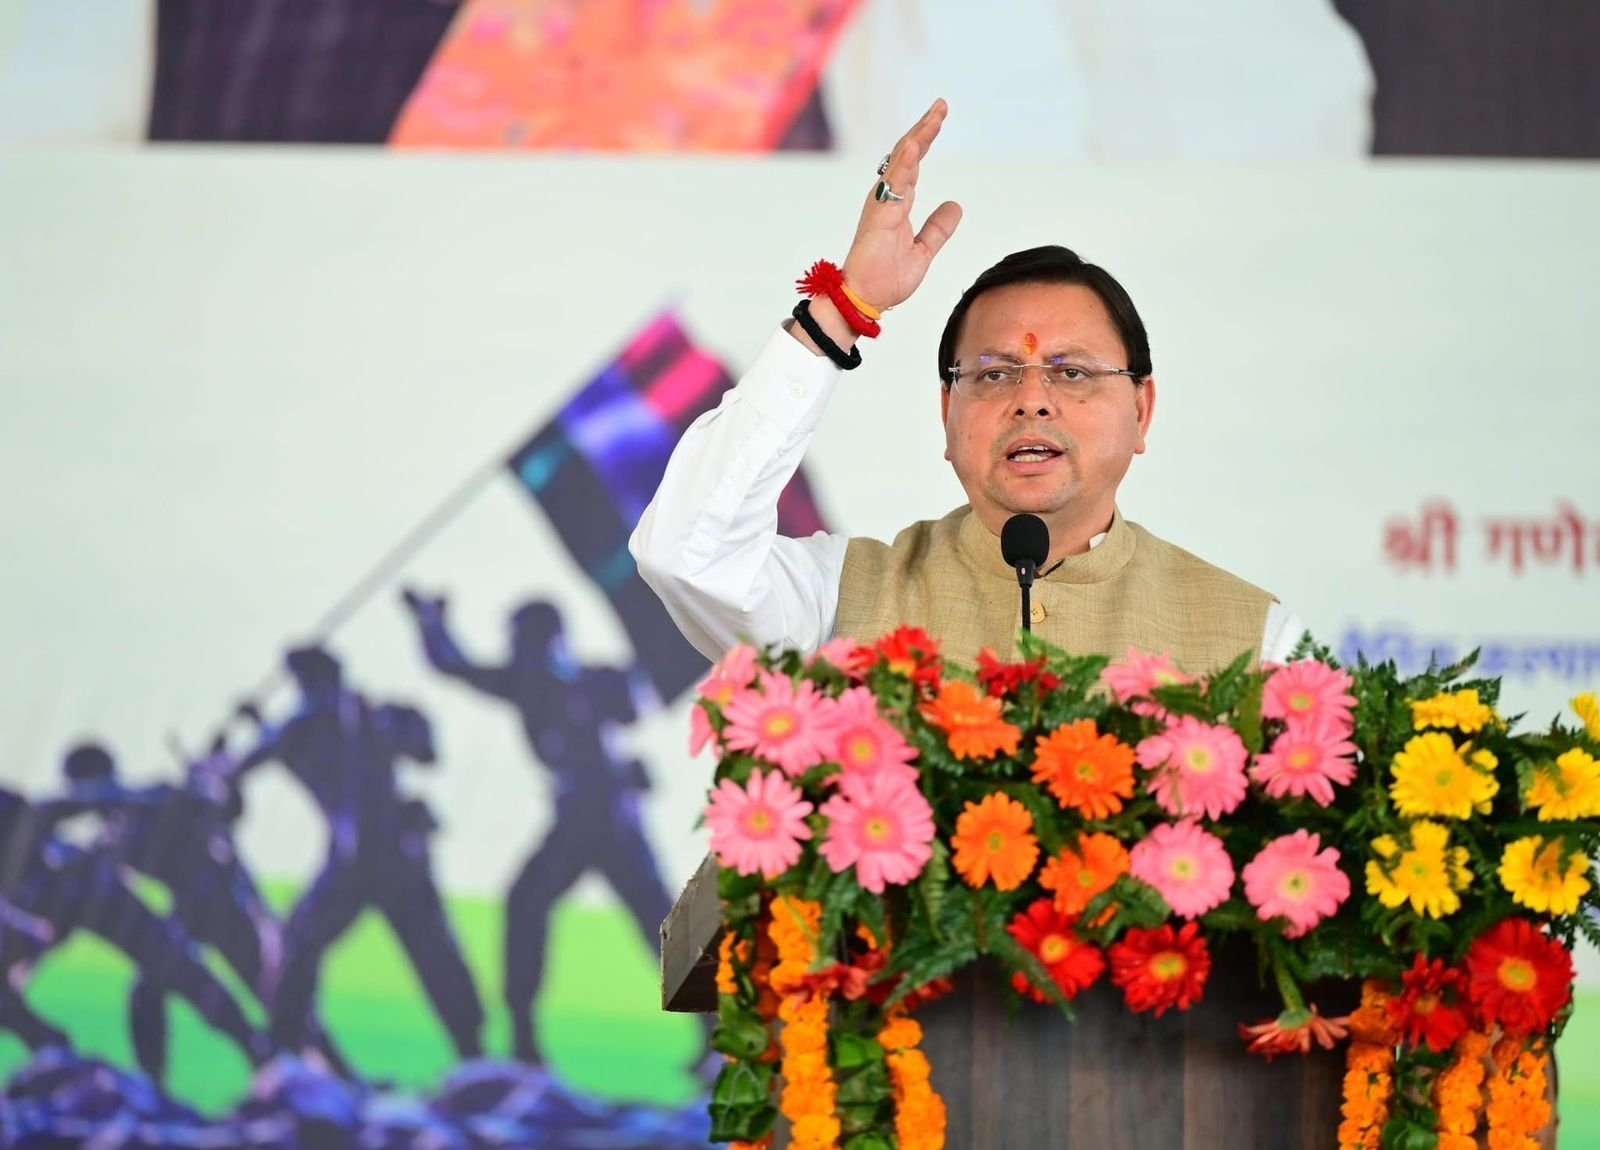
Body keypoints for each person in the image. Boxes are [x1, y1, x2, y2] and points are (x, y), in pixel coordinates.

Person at [630, 98, 1306, 672]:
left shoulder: (1259, 643)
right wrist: (845, 305)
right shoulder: (841, 601)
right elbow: (687, 554)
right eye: (994, 374)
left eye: (1072, 373)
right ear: (948, 413)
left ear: (1142, 409)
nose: (1031, 400)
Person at [400, 590, 692, 1067]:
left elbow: (639, 699)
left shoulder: (574, 679)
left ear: (545, 637)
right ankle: (524, 1038)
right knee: (539, 906)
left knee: (649, 919)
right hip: (586, 816)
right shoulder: (539, 682)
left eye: (520, 637)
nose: (515, 647)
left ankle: (715, 1025)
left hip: (605, 816)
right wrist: (431, 624)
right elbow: (455, 666)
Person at [222, 646, 485, 1062]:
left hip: (376, 856)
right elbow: (243, 766)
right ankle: (291, 1050)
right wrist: (255, 726)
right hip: (372, 857)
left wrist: (244, 739)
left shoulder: (343, 717)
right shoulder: (314, 723)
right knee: (304, 946)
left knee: (429, 953)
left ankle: (472, 1052)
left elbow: (426, 752)